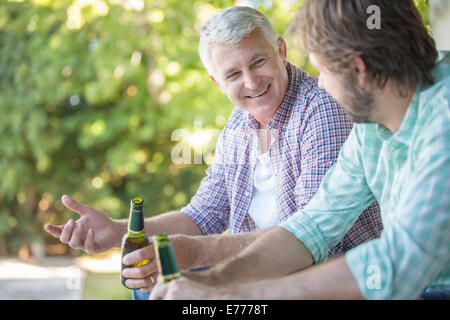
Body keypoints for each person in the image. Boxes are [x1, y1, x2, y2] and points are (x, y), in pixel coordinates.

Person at [44, 6, 382, 299]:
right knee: (149, 286)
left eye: (258, 61)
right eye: (233, 74)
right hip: (262, 272)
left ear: (281, 50)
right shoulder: (238, 125)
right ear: (217, 82)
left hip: (322, 280)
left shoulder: (321, 109)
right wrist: (119, 232)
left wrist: (196, 257)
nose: (251, 82)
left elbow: (310, 237)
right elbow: (203, 215)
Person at [150, 0, 450, 300]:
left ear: (358, 70)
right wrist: (215, 281)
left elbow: (396, 266)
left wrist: (237, 295)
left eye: (323, 71)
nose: (320, 83)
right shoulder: (370, 126)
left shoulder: (443, 122)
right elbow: (313, 224)